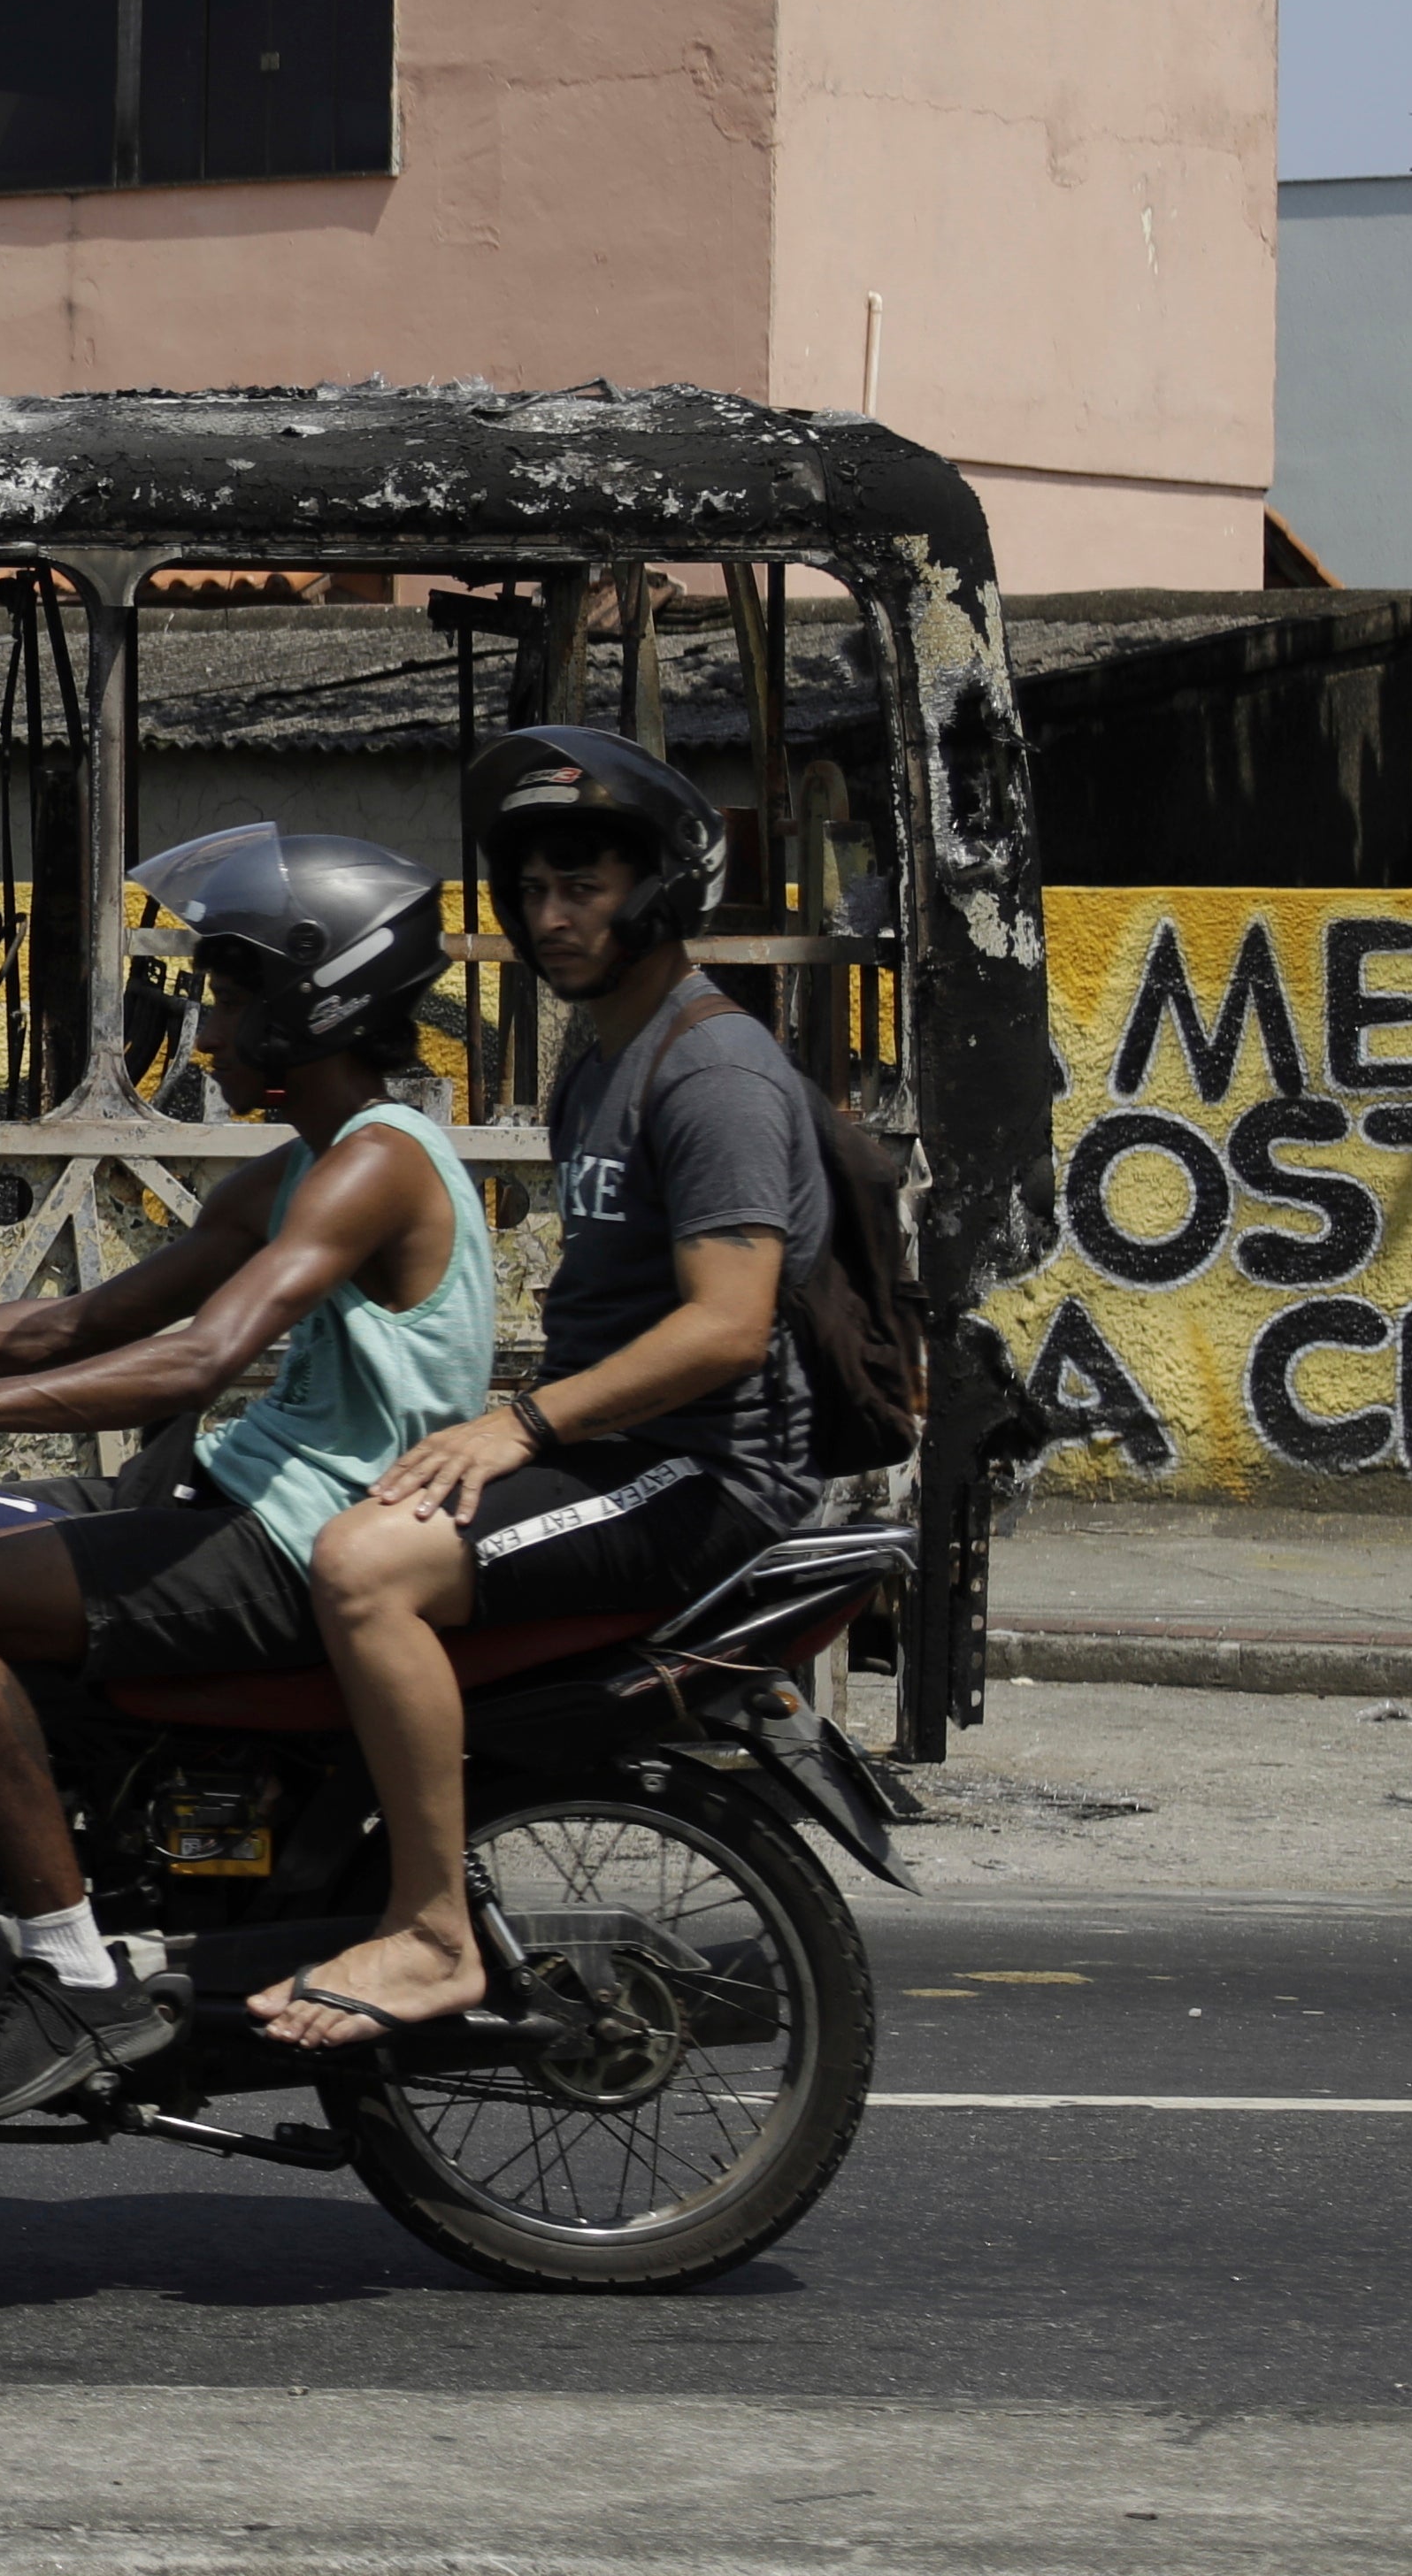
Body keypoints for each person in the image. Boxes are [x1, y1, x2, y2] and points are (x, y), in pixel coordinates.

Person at [0, 823, 497, 2135]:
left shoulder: (378, 1162)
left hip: (311, 1534)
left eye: (237, 993)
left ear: (320, 996)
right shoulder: (299, 1169)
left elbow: (198, 1359)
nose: (213, 1022)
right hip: (228, 1499)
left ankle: (73, 1969)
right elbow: (68, 1328)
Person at [250, 725, 826, 2058]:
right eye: (533, 891)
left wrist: (517, 1425)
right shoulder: (597, 1058)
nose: (551, 917)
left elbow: (730, 1328)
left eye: (588, 886)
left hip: (704, 1470)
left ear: (664, 889)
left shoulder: (714, 1072)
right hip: (618, 1446)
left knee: (363, 1567)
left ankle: (437, 1933)